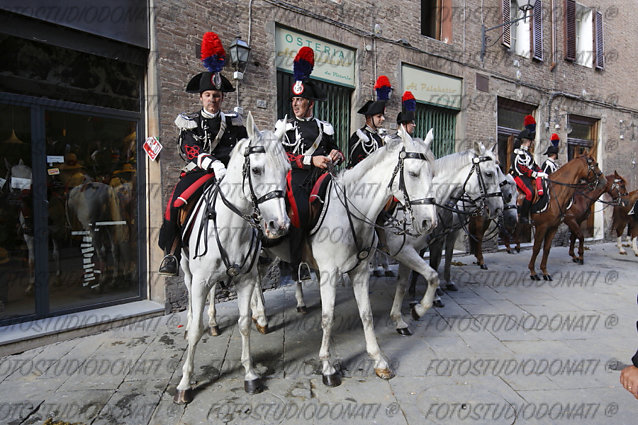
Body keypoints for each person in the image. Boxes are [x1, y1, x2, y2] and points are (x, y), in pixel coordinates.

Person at [158, 32, 247, 276]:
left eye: (217, 96)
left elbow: (244, 147)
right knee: (175, 204)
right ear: (201, 97)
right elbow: (189, 149)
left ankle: (258, 249)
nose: (212, 100)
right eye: (208, 95)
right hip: (200, 173)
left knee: (256, 201)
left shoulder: (234, 122)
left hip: (230, 175)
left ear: (222, 98)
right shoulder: (189, 122)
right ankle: (172, 253)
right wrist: (213, 163)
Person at [277, 46, 343, 281]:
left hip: (324, 175)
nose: (296, 104)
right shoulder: (283, 126)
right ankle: (297, 263)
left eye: (301, 100)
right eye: (294, 100)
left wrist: (335, 154)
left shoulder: (324, 127)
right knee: (301, 211)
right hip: (297, 176)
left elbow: (335, 148)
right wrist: (309, 159)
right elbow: (282, 157)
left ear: (310, 103)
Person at [346, 75, 391, 168]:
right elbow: (357, 165)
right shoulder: (359, 137)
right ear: (369, 118)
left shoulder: (380, 138)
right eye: (379, 116)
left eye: (382, 116)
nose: (382, 119)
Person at [511, 127, 547, 223]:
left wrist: (541, 172)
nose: (531, 144)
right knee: (530, 192)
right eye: (530, 142)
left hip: (528, 177)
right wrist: (534, 174)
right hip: (518, 176)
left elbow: (534, 165)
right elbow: (520, 168)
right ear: (527, 141)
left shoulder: (527, 153)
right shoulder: (517, 153)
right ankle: (523, 215)